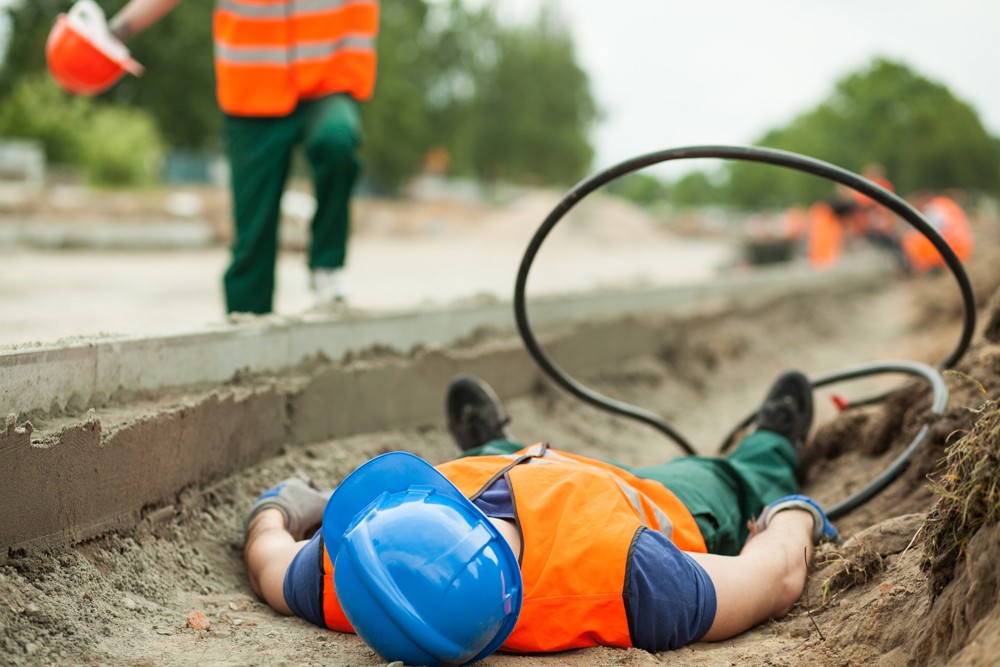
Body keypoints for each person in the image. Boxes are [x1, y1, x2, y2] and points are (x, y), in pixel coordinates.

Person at [243, 370, 839, 665]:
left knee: (493, 461)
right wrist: (792, 516)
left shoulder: (358, 578)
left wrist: (281, 507)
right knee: (728, 479)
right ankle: (772, 443)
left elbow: (270, 558)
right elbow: (773, 579)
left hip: (514, 464)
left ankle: (495, 441)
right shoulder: (633, 580)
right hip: (643, 499)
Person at [104, 0, 379, 312]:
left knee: (337, 139)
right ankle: (248, 324)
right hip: (253, 92)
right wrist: (116, 31)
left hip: (327, 81)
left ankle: (328, 267)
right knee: (253, 234)